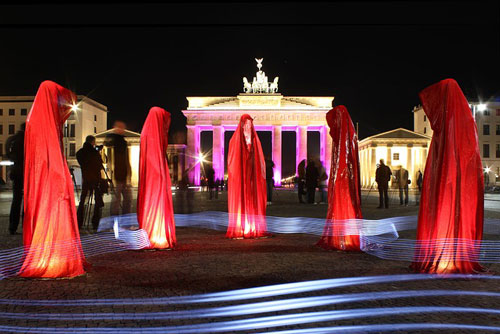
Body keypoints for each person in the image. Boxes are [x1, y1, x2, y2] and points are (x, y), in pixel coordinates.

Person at [411, 79, 486, 274]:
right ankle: (450, 251)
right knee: (449, 208)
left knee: (447, 207)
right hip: (455, 183)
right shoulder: (457, 125)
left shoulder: (451, 126)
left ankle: (448, 252)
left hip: (451, 183)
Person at [19, 80, 87, 278]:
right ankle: (52, 256)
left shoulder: (35, 120)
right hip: (50, 182)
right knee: (52, 215)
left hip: (44, 181)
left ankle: (50, 252)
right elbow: (48, 155)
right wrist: (60, 178)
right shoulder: (43, 121)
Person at [317, 105, 362, 251]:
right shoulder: (346, 135)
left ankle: (345, 236)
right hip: (342, 178)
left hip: (343, 179)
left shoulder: (346, 136)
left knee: (344, 200)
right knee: (342, 201)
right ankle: (344, 235)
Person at [137, 107, 176, 249]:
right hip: (155, 179)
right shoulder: (152, 135)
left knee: (152, 203)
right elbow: (154, 160)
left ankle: (154, 233)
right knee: (155, 203)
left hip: (154, 178)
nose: (166, 127)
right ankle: (156, 235)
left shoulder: (147, 133)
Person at [226, 114, 268, 239]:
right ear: (242, 126)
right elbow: (232, 162)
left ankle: (253, 225)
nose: (248, 127)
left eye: (250, 124)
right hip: (241, 179)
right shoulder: (234, 142)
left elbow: (260, 162)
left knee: (252, 199)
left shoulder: (255, 142)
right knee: (242, 200)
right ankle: (241, 226)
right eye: (246, 124)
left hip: (252, 179)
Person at [76, 135, 105, 231]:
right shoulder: (94, 152)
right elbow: (100, 164)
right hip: (95, 180)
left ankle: (79, 221)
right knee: (97, 202)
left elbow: (81, 162)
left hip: (86, 179)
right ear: (93, 142)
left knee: (83, 201)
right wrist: (97, 152)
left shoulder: (80, 152)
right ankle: (95, 222)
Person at [104, 120, 132, 216]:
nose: (122, 129)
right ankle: (117, 219)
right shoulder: (115, 140)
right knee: (118, 199)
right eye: (120, 127)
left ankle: (121, 218)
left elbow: (126, 160)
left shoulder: (121, 141)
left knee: (125, 199)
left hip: (123, 175)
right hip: (118, 175)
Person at [5, 122, 25, 235]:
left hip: (15, 171)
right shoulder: (25, 140)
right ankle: (25, 225)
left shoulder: (11, 140)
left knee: (16, 200)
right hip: (25, 172)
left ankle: (12, 226)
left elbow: (8, 154)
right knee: (27, 201)